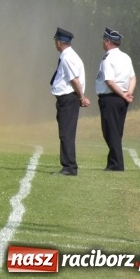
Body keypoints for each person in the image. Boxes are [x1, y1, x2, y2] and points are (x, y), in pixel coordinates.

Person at [95, 27, 136, 172]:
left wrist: (123, 95)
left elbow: (110, 82)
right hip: (123, 98)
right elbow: (132, 77)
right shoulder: (126, 57)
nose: (102, 42)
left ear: (108, 42)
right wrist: (128, 93)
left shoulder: (108, 58)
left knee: (110, 131)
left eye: (103, 40)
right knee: (117, 131)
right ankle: (112, 163)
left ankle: (117, 165)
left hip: (111, 98)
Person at [50, 27, 90, 176]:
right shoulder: (68, 56)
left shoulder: (67, 58)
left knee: (66, 133)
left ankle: (69, 167)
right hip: (68, 98)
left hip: (68, 98)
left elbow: (74, 80)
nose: (55, 44)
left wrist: (81, 97)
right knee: (66, 132)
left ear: (60, 42)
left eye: (55, 41)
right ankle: (68, 165)